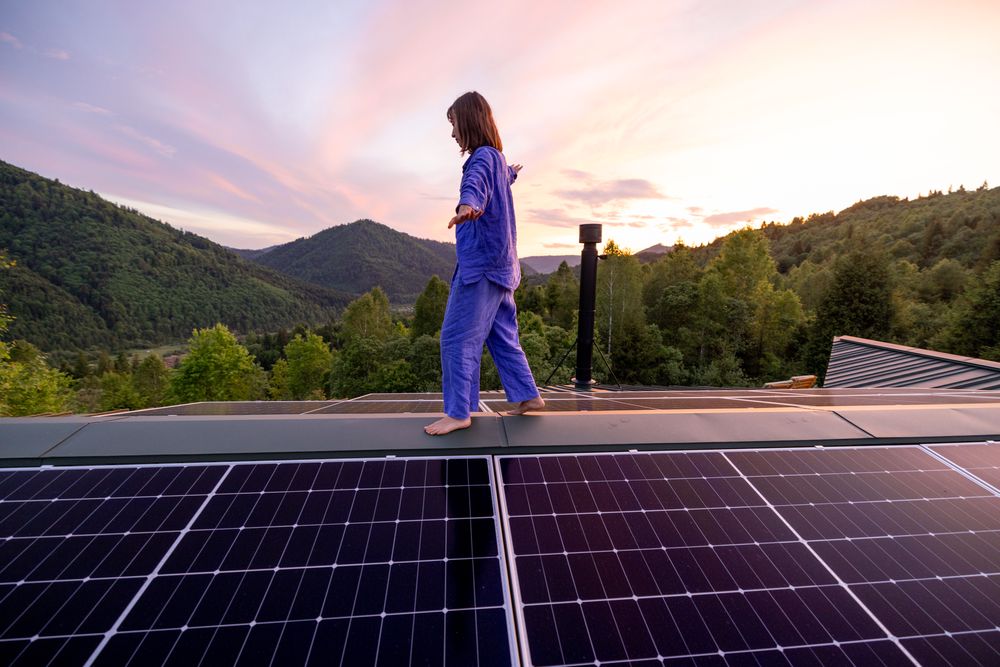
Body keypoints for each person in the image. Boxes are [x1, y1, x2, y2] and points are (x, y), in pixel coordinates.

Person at [424, 91, 545, 436]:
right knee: (502, 336)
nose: (452, 135)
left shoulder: (481, 159)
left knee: (456, 337)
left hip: (481, 268)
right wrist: (512, 173)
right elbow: (500, 177)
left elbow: (475, 186)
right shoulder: (497, 160)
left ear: (469, 123)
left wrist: (467, 207)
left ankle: (459, 411)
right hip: (503, 269)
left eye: (454, 125)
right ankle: (527, 395)